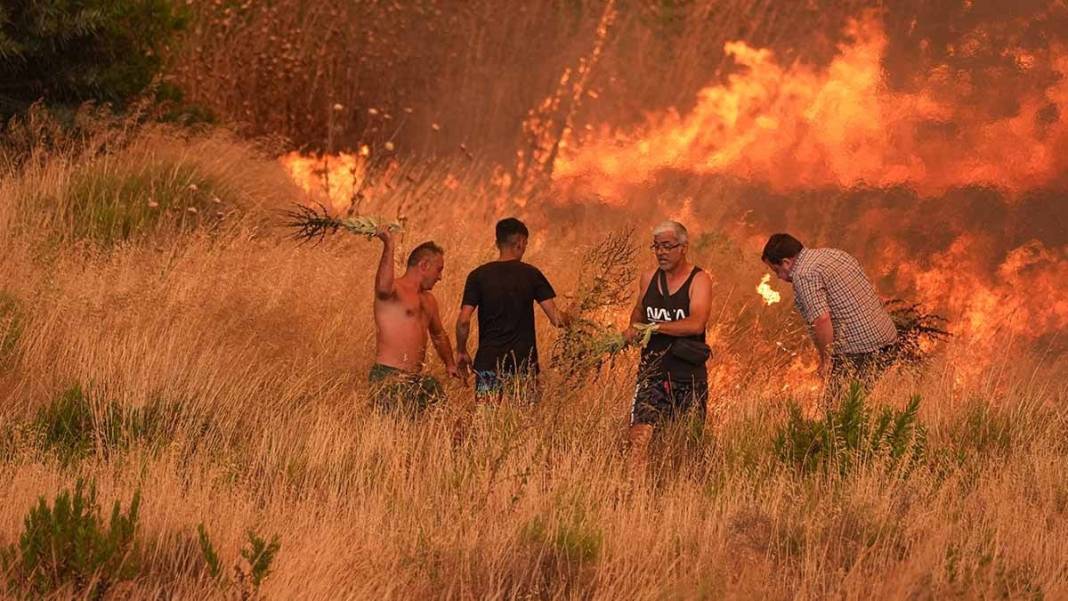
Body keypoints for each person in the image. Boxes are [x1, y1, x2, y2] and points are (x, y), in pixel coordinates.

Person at [761, 233, 899, 403]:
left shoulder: (804, 274)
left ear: (786, 262)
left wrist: (826, 361)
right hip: (888, 339)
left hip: (860, 350)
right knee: (870, 405)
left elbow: (822, 319)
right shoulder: (834, 255)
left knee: (836, 414)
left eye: (777, 271)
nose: (779, 278)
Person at [623, 220, 713, 469]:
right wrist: (633, 327)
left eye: (667, 246)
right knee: (638, 439)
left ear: (683, 247)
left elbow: (696, 323)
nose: (661, 252)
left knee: (685, 445)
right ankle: (634, 492)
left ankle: (680, 495)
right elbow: (639, 311)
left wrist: (655, 328)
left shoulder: (700, 280)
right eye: (656, 247)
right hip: (651, 374)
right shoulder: (648, 278)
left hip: (688, 377)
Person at [455, 217, 568, 401]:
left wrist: (461, 350)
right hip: (523, 364)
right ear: (521, 243)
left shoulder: (477, 276)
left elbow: (463, 320)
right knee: (524, 420)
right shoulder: (531, 274)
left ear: (497, 243)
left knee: (486, 419)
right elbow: (556, 319)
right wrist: (577, 317)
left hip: (488, 363)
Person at [369, 228, 459, 413]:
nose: (440, 277)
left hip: (416, 379)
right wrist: (389, 245)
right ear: (424, 265)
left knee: (448, 422)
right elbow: (382, 288)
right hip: (389, 376)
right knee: (395, 432)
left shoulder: (429, 300)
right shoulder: (394, 291)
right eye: (439, 270)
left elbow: (438, 334)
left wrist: (450, 363)